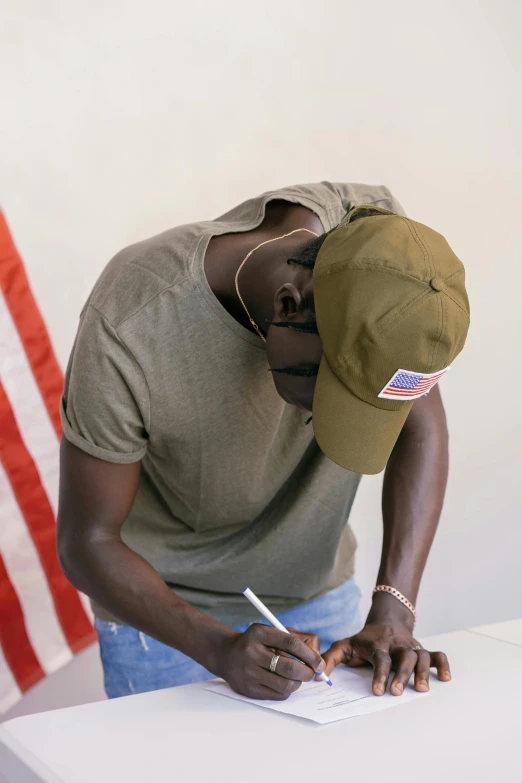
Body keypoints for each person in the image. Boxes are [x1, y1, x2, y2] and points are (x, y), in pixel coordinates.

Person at [57, 181, 469, 701]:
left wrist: (393, 609)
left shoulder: (384, 256)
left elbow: (421, 422)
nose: (329, 424)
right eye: (334, 398)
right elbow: (86, 542)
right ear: (288, 305)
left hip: (318, 592)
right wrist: (217, 648)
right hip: (164, 618)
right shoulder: (134, 317)